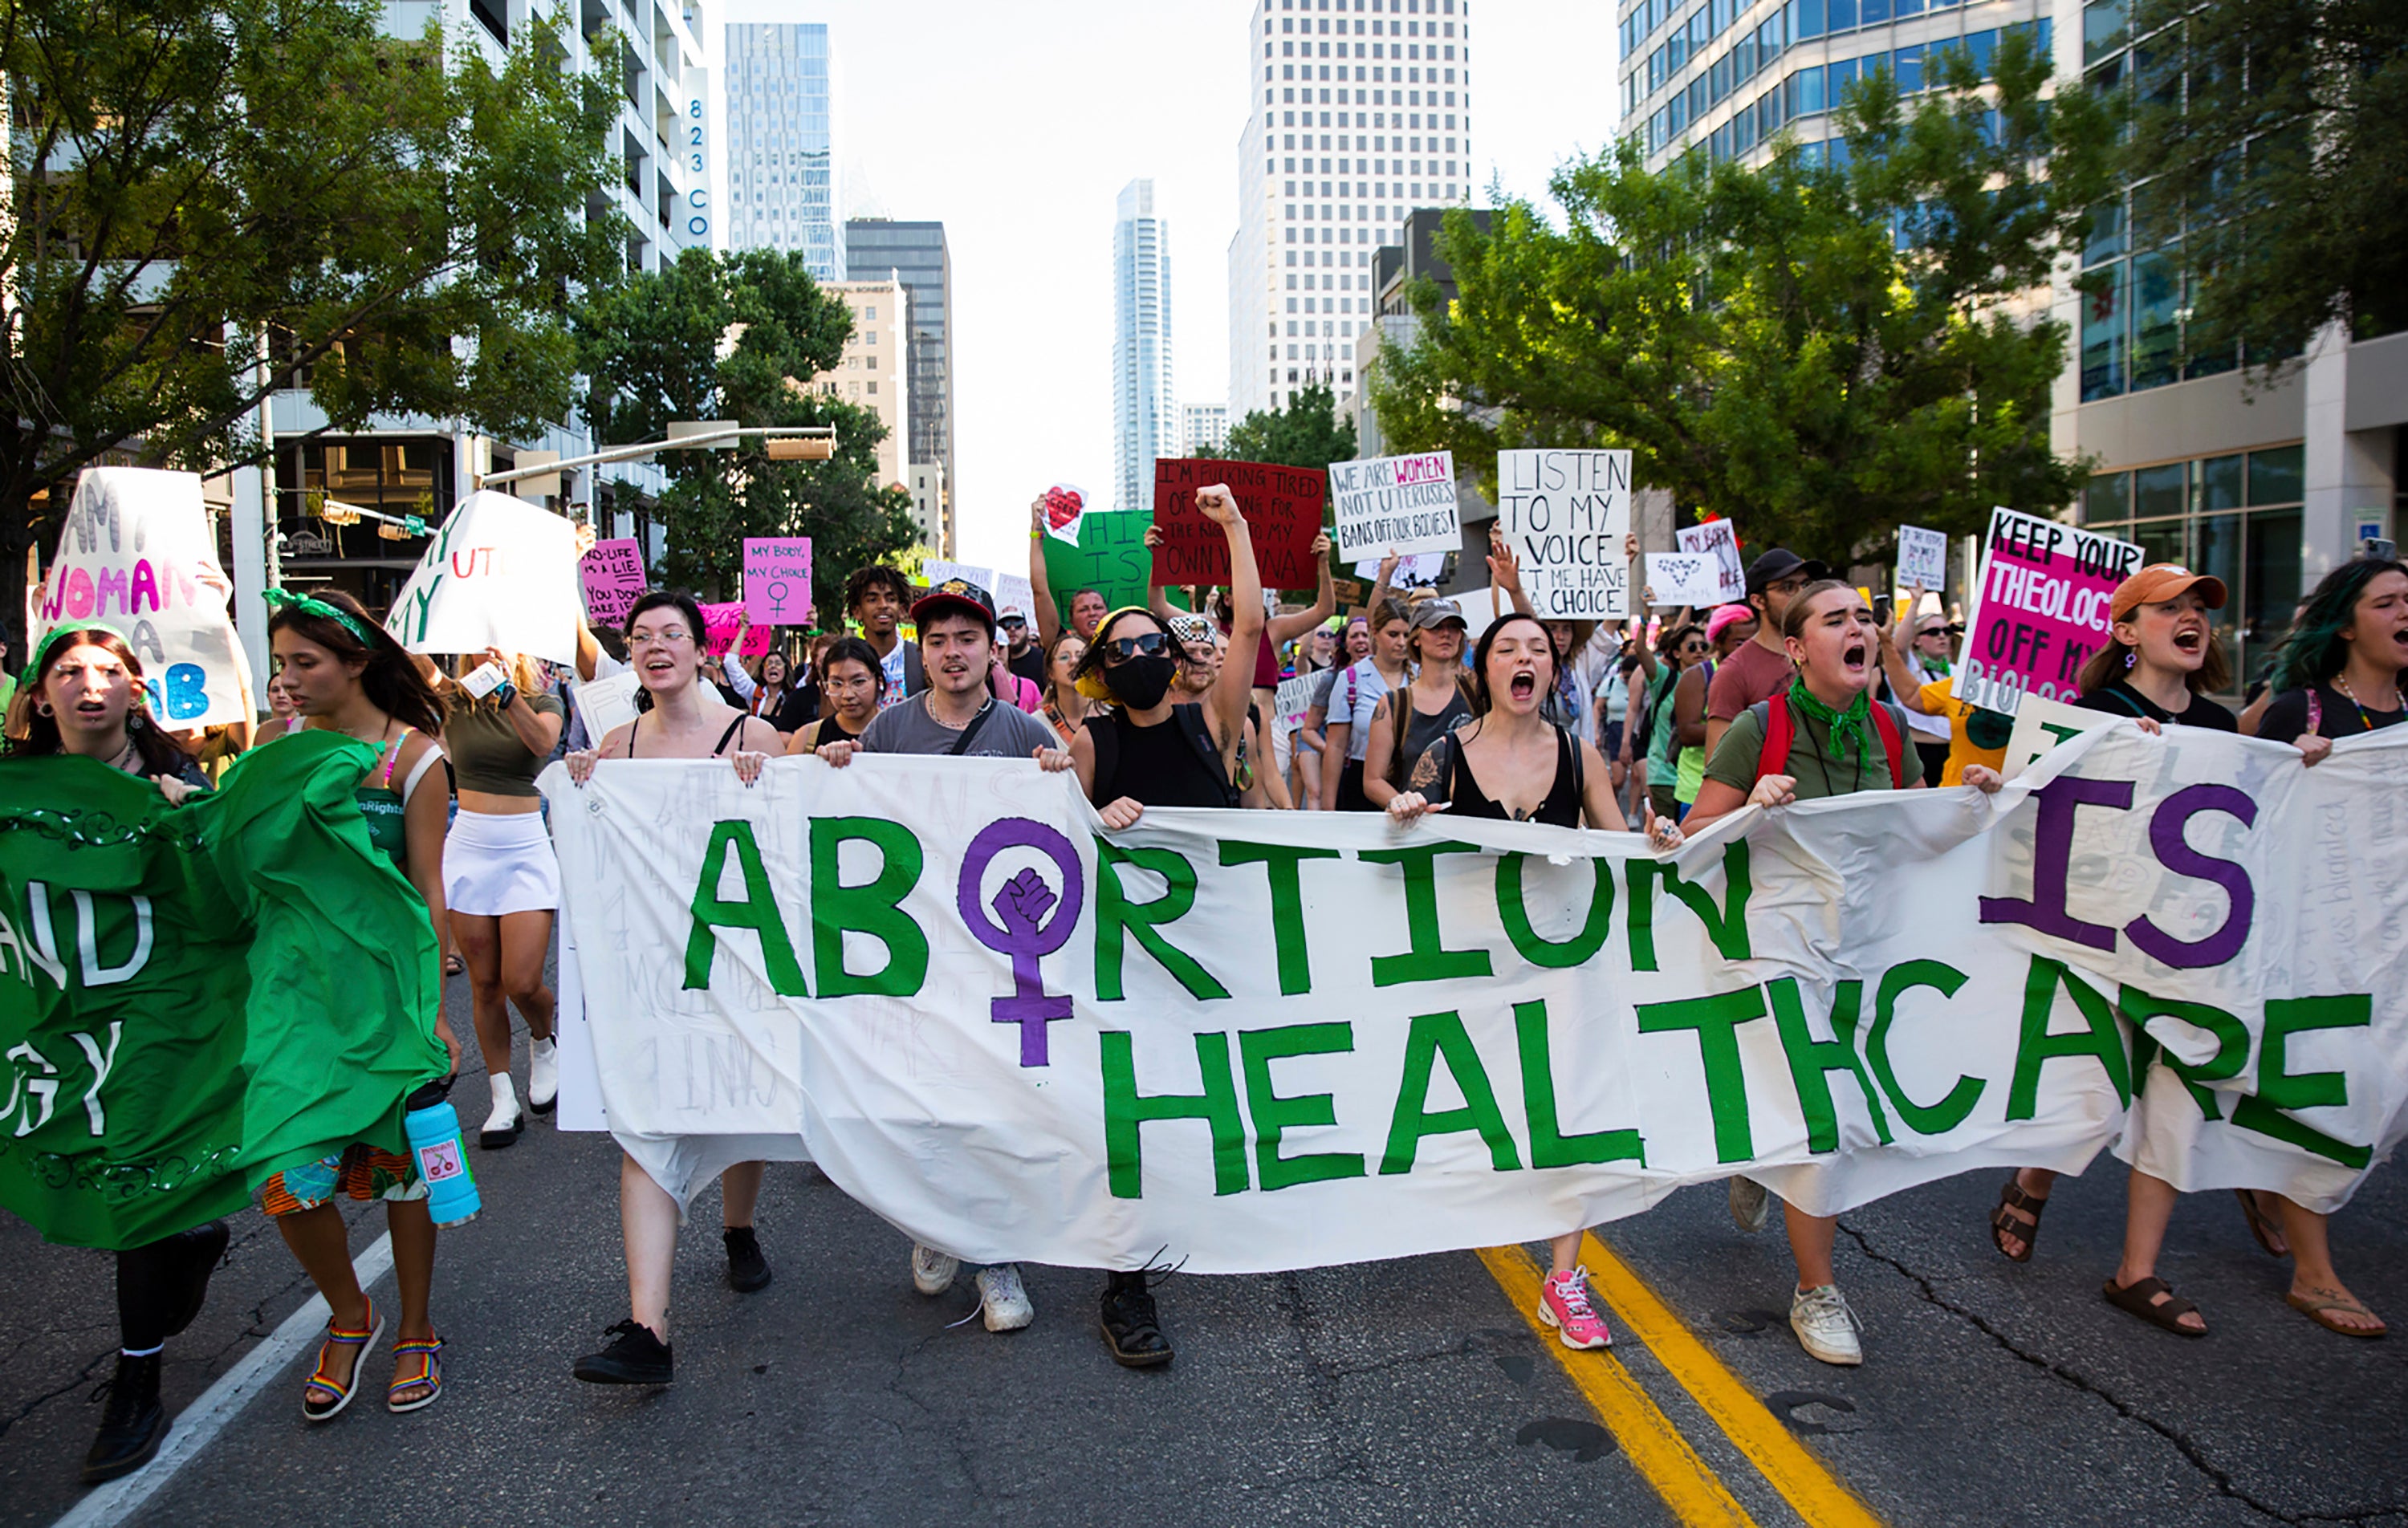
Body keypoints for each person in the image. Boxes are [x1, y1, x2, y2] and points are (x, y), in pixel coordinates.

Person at [1683, 581, 2002, 1367]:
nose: (1859, 629)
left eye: (1864, 618)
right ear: (1797, 648)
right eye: (1837, 620)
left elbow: (1916, 832)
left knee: (1812, 1103)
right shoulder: (1758, 727)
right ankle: (1816, 1288)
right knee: (1819, 1105)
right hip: (1777, 940)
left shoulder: (1891, 729)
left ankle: (1761, 1153)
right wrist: (1751, 803)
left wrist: (1969, 803)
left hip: (1860, 946)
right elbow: (1691, 835)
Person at [1385, 612, 1682, 1350]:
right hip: (1470, 969)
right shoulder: (1444, 752)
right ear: (1483, 670)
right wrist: (1402, 815)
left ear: (1552, 671)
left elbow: (1620, 846)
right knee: (1473, 1112)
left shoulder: (1578, 755)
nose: (1526, 659)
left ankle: (1565, 1278)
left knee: (1570, 1110)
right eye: (1509, 649)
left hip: (1556, 964)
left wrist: (1658, 838)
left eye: (1539, 651)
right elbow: (1395, 857)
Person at [2127, 559, 2392, 1339]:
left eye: (2197, 607)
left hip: (2365, 941)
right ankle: (2292, 1266)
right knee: (2184, 1068)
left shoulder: (2220, 718)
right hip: (2242, 933)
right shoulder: (2290, 712)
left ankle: (2262, 1187)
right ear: (2349, 622)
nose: (2192, 616)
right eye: (2389, 600)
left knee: (2340, 1079)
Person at [805, 578, 1075, 1335]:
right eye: (938, 641)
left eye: (966, 639)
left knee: (991, 1106)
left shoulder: (1027, 733)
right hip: (917, 961)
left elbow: (1070, 837)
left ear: (995, 649)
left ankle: (992, 1255)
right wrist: (835, 764)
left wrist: (1062, 777)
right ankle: (937, 1222)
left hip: (995, 957)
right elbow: (848, 818)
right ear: (922, 654)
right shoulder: (888, 731)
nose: (952, 653)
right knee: (925, 1105)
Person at [4, 625, 233, 1480]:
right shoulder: (10, 795)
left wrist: (195, 827)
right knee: (96, 1174)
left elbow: (224, 910)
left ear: (138, 691)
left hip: (162, 1021)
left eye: (108, 672)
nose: (89, 686)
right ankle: (191, 1236)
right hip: (58, 1027)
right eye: (69, 672)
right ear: (38, 695)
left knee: (136, 1190)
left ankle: (137, 1379)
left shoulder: (182, 786)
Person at [564, 591, 786, 1387]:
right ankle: (648, 1330)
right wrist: (582, 782)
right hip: (653, 967)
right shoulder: (614, 745)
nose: (654, 646)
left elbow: (804, 837)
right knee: (646, 1125)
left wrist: (772, 777)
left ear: (701, 649)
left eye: (671, 634)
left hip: (738, 960)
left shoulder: (752, 734)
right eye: (640, 636)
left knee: (741, 1106)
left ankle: (737, 1225)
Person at [1068, 482, 1265, 1367]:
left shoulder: (1212, 722)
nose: (1145, 651)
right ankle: (1127, 1281)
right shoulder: (1088, 745)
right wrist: (1087, 817)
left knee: (1213, 1099)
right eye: (1125, 646)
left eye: (1156, 639)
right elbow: (1050, 848)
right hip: (1131, 964)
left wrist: (1234, 528)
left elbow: (1253, 631)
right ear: (1102, 671)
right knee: (1134, 1115)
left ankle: (1209, 1221)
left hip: (1217, 953)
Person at [258, 588, 459, 1417]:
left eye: (305, 662)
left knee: (403, 1174)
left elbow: (427, 888)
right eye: (281, 664)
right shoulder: (272, 744)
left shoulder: (415, 758)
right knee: (286, 1178)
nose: (289, 679)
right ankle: (350, 1312)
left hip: (384, 1004)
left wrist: (431, 1009)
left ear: (355, 661)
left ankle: (416, 1325)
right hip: (293, 1002)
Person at [441, 648, 564, 1149]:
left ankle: (543, 1039)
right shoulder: (448, 700)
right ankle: (501, 1098)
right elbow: (400, 657)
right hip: (468, 845)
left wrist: (506, 693)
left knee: (523, 981)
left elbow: (542, 744)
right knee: (485, 983)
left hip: (525, 845)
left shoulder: (543, 698)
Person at [1704, 547, 1830, 762]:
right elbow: (1719, 767)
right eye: (1788, 587)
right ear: (1758, 601)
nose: (1802, 595)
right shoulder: (1734, 671)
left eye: (1807, 585)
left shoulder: (1827, 656)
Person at [1877, 590, 2010, 786]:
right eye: (1933, 632)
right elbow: (1912, 695)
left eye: (1947, 631)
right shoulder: (1962, 682)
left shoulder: (1956, 672)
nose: (1942, 636)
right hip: (1953, 790)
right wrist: (1887, 640)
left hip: (2014, 800)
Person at [1361, 599, 1474, 808]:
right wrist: (1402, 803)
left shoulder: (1476, 692)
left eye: (1453, 627)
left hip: (1473, 825)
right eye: (1435, 627)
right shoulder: (1394, 705)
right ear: (1416, 638)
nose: (1446, 634)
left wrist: (1512, 590)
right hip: (1417, 829)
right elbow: (1372, 780)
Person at [1320, 599, 1412, 811]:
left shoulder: (1422, 676)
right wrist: (1327, 809)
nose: (1401, 642)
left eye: (1406, 635)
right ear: (1375, 633)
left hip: (1411, 782)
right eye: (1393, 634)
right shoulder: (1352, 678)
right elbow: (1336, 746)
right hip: (1361, 785)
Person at [1298, 617, 1369, 811]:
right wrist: (1333, 752)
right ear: (1346, 645)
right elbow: (1308, 730)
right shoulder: (1333, 678)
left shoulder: (1395, 677)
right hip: (1348, 773)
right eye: (1355, 636)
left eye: (1366, 635)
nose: (1362, 640)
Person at [1642, 621, 1708, 822]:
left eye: (1703, 646)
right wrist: (1645, 616)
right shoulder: (1665, 678)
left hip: (1693, 778)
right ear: (1677, 653)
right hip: (1664, 774)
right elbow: (1640, 650)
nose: (1699, 651)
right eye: (1691, 646)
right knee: (1668, 836)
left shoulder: (1712, 679)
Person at [1027, 495, 1109, 652]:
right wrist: (1036, 529)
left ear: (1108, 613)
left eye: (1098, 607)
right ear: (1071, 620)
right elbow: (1040, 591)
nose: (1092, 613)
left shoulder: (1123, 646)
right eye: (1083, 610)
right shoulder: (1059, 645)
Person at [787, 636, 884, 754]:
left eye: (858, 682)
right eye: (837, 684)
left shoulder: (900, 732)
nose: (847, 694)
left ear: (879, 682)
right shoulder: (807, 738)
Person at [844, 564, 916, 710]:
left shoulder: (920, 659)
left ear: (902, 610)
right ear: (857, 611)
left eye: (890, 599)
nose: (883, 605)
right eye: (872, 600)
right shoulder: (846, 662)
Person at [721, 633, 814, 733]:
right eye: (768, 664)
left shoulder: (795, 694)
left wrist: (814, 630)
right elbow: (730, 663)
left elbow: (816, 666)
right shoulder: (755, 693)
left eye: (778, 664)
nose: (773, 666)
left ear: (786, 670)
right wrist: (744, 630)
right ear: (763, 672)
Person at [1039, 632, 1092, 744]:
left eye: (1081, 656)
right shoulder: (1036, 724)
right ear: (1051, 672)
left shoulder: (1111, 715)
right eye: (1064, 657)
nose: (1074, 661)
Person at [1000, 604, 1047, 687]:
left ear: (1027, 628)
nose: (1012, 629)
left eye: (1018, 623)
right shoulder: (996, 664)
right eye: (1006, 625)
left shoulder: (1044, 659)